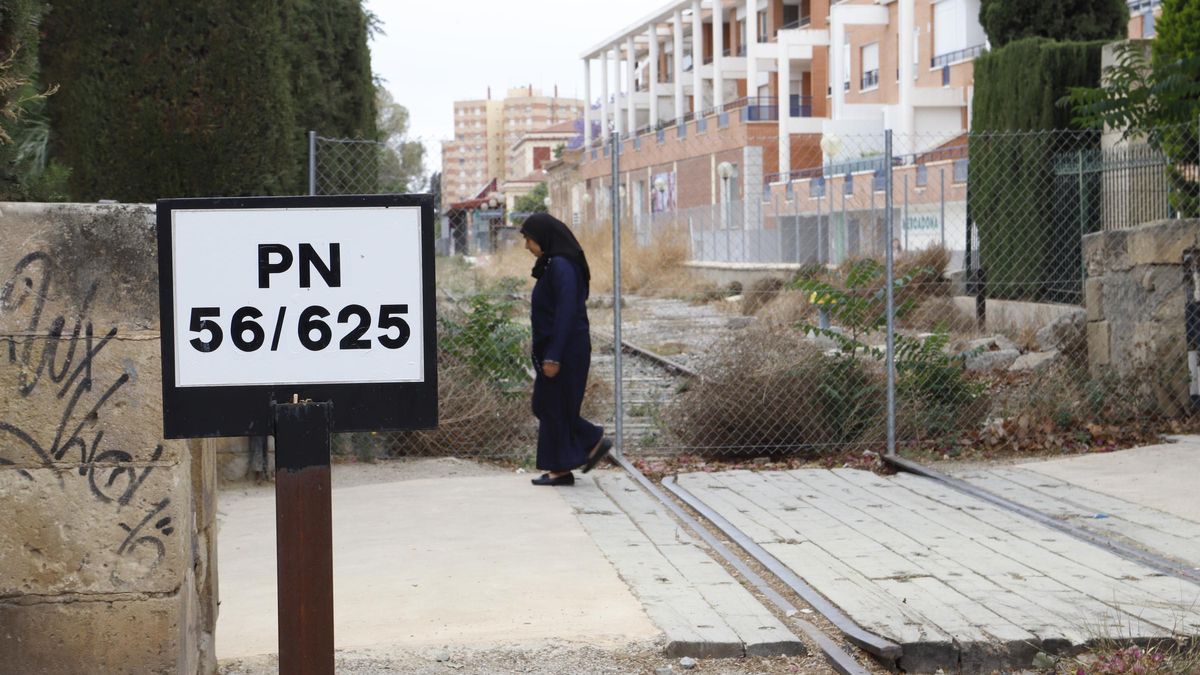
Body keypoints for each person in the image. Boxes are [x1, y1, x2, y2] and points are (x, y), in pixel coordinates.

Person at [519, 213, 612, 486]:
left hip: (566, 350)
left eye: (529, 239)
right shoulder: (554, 264)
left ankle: (563, 467)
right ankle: (589, 441)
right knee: (548, 405)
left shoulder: (561, 266)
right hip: (559, 348)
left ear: (543, 238)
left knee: (552, 406)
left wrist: (554, 355)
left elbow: (567, 312)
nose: (527, 246)